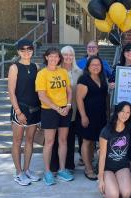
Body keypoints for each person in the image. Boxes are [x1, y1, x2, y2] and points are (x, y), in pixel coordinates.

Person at [36, 47, 74, 185]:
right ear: (46, 57)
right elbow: (42, 96)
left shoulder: (63, 72)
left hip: (65, 110)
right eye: (51, 56)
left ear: (59, 58)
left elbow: (69, 91)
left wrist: (68, 106)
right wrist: (58, 109)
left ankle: (62, 169)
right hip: (49, 111)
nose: (54, 59)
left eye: (56, 56)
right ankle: (47, 172)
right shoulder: (42, 74)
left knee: (63, 141)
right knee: (50, 142)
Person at [8, 39, 41, 186]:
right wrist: (18, 111)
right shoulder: (14, 67)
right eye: (23, 49)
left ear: (33, 50)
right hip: (20, 109)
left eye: (29, 49)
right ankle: (18, 172)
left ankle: (27, 170)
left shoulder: (37, 66)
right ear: (18, 51)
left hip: (34, 109)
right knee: (17, 141)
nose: (26, 51)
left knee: (29, 141)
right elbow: (11, 91)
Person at [50, 46, 82, 174]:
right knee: (55, 139)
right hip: (55, 110)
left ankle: (68, 166)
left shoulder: (79, 72)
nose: (68, 57)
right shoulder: (54, 70)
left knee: (69, 139)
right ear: (60, 56)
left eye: (71, 55)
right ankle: (54, 166)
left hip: (73, 111)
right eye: (65, 55)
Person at [76, 56, 108, 181]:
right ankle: (88, 169)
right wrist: (83, 116)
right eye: (93, 64)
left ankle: (94, 165)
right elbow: (79, 99)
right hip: (87, 116)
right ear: (88, 66)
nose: (96, 67)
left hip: (100, 116)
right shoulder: (84, 79)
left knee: (97, 142)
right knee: (87, 141)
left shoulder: (102, 78)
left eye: (98, 65)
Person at [98, 101, 131, 198]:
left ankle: (117, 181)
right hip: (108, 168)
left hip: (122, 166)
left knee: (126, 193)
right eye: (122, 111)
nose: (125, 115)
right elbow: (102, 155)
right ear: (117, 112)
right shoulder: (106, 131)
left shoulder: (130, 128)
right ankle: (109, 183)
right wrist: (100, 179)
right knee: (114, 195)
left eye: (128, 112)